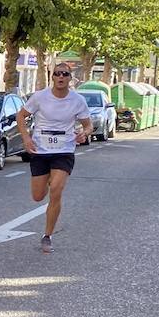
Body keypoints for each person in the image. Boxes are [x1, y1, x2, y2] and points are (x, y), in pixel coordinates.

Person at [15, 64, 93, 253]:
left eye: (64, 74)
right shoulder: (40, 97)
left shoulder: (78, 100)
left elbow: (88, 125)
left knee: (56, 189)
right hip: (41, 151)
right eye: (57, 74)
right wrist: (26, 138)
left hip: (63, 150)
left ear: (70, 78)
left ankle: (47, 235)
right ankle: (48, 178)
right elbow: (21, 116)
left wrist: (85, 133)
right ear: (52, 77)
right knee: (38, 196)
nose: (60, 77)